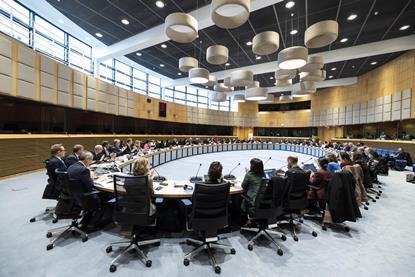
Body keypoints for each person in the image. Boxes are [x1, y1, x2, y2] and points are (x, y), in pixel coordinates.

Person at [67, 151, 103, 230]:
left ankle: (85, 221)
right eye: (91, 160)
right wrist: (91, 178)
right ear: (87, 159)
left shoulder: (71, 166)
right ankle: (92, 224)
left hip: (72, 195)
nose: (91, 162)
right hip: (83, 196)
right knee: (104, 196)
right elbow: (90, 186)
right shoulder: (84, 170)